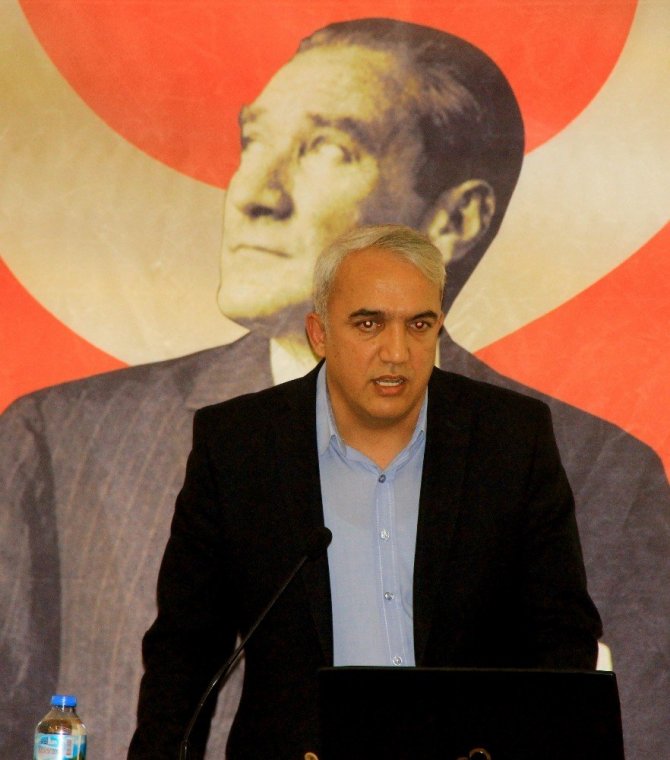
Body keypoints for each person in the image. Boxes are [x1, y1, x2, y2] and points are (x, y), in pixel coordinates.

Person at [1, 17, 668, 759]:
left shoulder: (553, 452)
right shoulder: (203, 441)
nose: (252, 195)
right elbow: (183, 657)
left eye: (328, 148)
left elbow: (569, 660)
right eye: (252, 140)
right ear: (321, 332)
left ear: (456, 218)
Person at [129, 225, 602, 758]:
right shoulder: (241, 446)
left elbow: (561, 634)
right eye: (369, 323)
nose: (396, 352)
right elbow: (185, 651)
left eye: (419, 324)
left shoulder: (510, 438)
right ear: (319, 333)